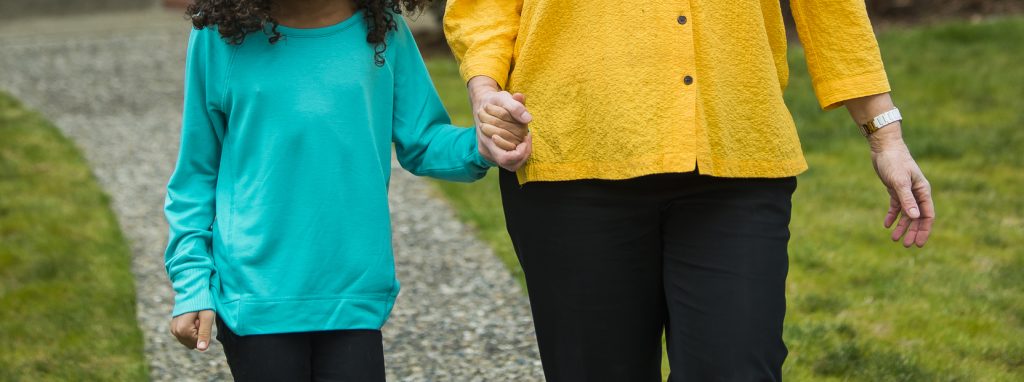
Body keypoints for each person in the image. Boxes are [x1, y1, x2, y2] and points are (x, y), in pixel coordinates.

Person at [445, 0, 935, 380]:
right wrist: (485, 91)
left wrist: (885, 136)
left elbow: (832, 10)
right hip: (575, 152)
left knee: (737, 370)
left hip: (735, 155)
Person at [162, 0, 530, 380]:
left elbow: (422, 140)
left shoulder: (382, 28)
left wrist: (482, 145)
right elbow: (195, 177)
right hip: (256, 297)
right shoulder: (218, 38)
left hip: (356, 294)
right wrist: (192, 284)